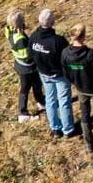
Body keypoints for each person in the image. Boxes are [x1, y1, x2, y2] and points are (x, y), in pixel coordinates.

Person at [30, 9, 77, 138]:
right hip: (59, 75)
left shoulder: (33, 37)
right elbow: (68, 57)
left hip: (44, 74)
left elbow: (31, 55)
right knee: (64, 101)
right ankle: (68, 129)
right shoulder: (58, 41)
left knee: (50, 100)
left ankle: (55, 128)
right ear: (52, 22)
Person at [63, 24, 93, 152]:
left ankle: (88, 145)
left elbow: (66, 73)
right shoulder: (90, 54)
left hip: (80, 89)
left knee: (84, 115)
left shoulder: (65, 53)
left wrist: (75, 82)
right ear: (83, 36)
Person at [4, 10, 44, 122]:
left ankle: (41, 101)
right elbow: (27, 56)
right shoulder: (21, 39)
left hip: (19, 64)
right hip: (27, 67)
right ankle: (23, 113)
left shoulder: (9, 30)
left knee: (36, 83)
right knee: (25, 88)